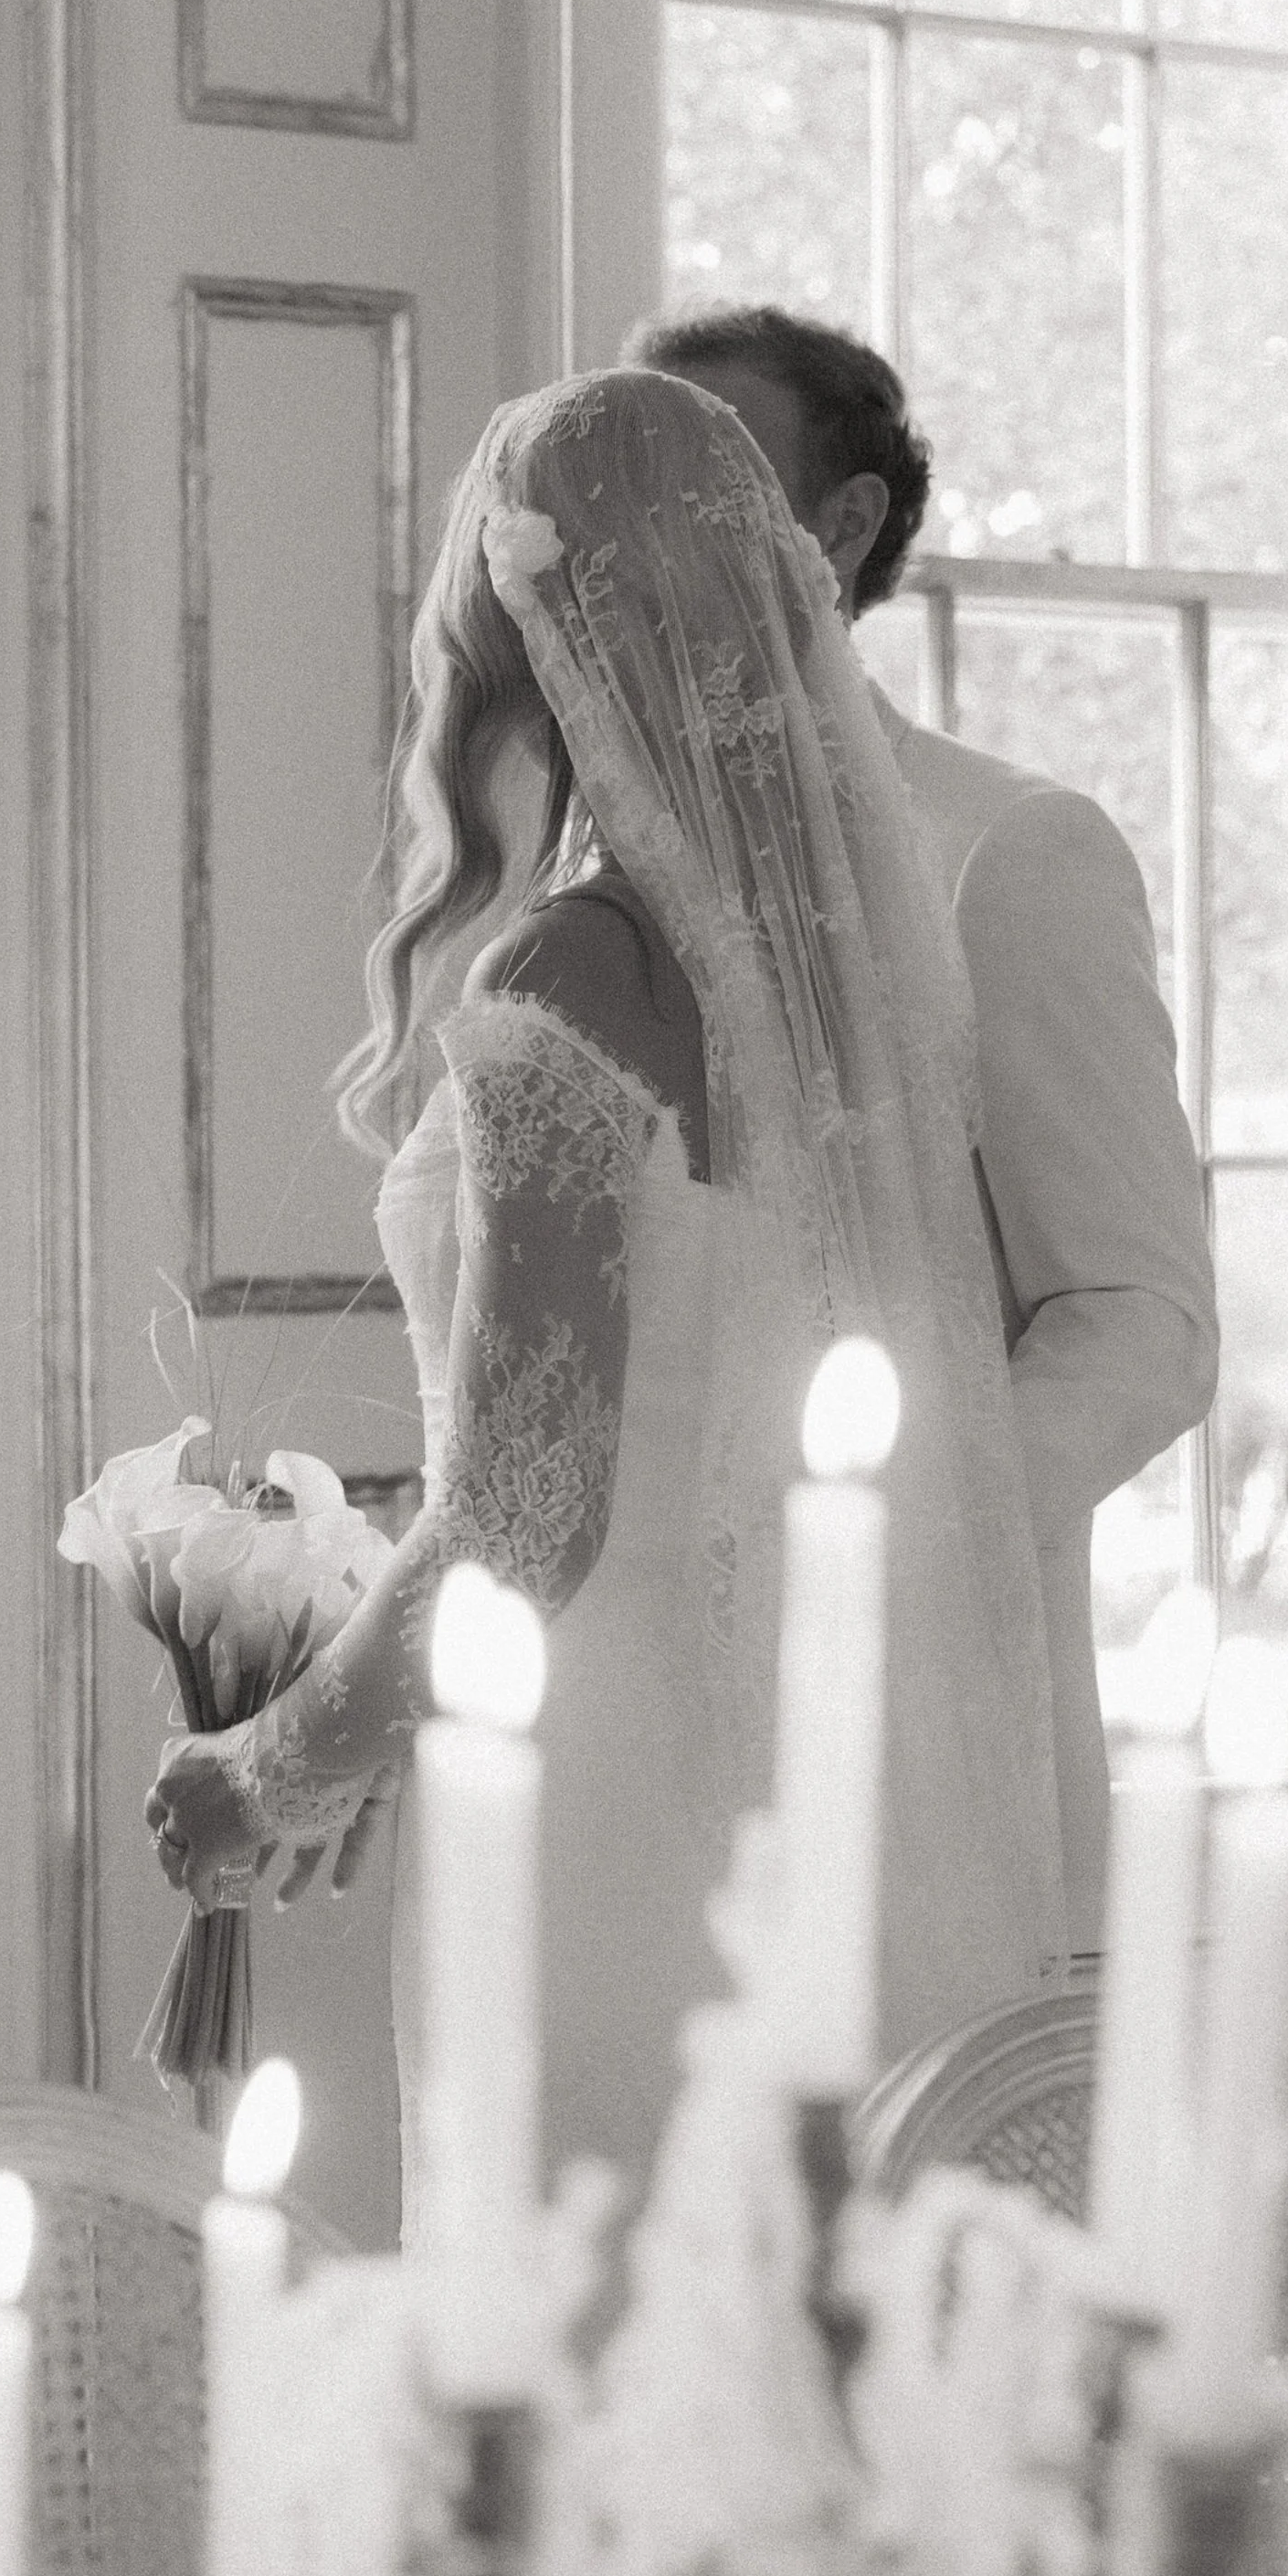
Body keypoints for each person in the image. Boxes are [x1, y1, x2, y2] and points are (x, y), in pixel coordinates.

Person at [146, 367, 1070, 2211]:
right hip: (832, 1772)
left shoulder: (565, 983)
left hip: (603, 1801)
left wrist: (263, 1764)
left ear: (524, 647)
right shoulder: (853, 996)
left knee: (586, 2350)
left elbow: (525, 1515)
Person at [627, 302, 1219, 1942]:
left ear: (841, 524)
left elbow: (1144, 1323)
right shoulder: (563, 862)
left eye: (700, 471)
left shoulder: (1008, 853)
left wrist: (877, 1561)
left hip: (919, 1745)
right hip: (616, 1746)